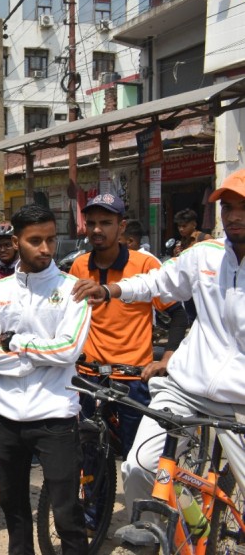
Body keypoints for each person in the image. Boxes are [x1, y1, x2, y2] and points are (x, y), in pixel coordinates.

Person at [72, 170, 245, 533]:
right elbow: (157, 283)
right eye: (228, 207)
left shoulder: (144, 256)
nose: (234, 216)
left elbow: (174, 313)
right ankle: (153, 536)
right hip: (184, 388)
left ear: (121, 226)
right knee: (138, 467)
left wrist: (160, 355)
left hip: (238, 401)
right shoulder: (204, 256)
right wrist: (110, 292)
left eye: (243, 207)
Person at [0, 204, 92, 555]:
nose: (45, 249)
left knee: (67, 514)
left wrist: (18, 345)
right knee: (15, 512)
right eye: (35, 241)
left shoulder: (74, 289)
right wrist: (37, 360)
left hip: (56, 417)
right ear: (16, 242)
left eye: (51, 240)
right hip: (7, 419)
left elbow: (69, 350)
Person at [70, 194, 187, 457]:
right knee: (90, 456)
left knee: (138, 458)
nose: (97, 229)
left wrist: (167, 359)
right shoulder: (79, 265)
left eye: (106, 222)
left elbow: (178, 316)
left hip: (132, 377)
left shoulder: (144, 265)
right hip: (88, 375)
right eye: (91, 223)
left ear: (121, 226)